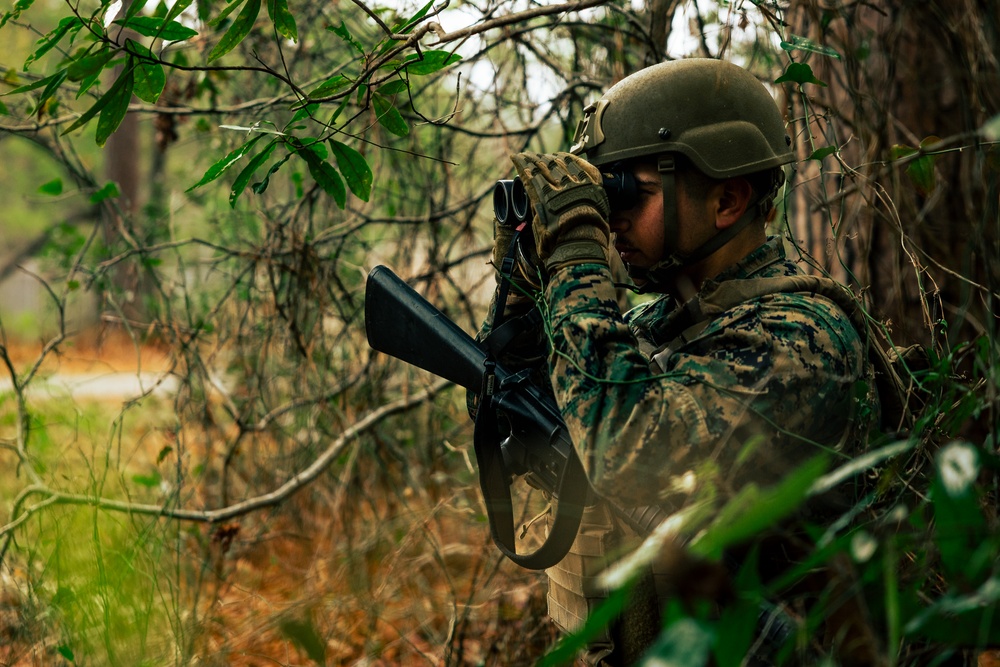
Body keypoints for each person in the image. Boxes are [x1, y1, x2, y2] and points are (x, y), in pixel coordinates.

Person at [475, 58, 881, 665]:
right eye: (600, 193)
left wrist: (576, 252)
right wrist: (525, 283)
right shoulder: (658, 328)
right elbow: (512, 417)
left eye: (626, 194)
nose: (610, 225)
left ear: (727, 200)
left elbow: (625, 455)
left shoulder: (804, 343)